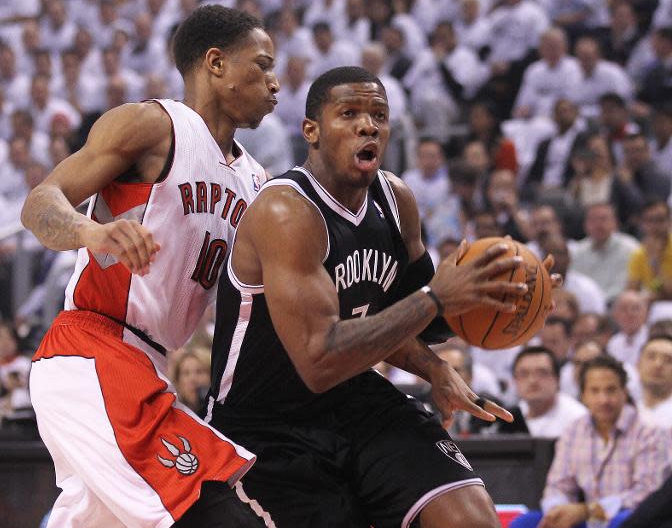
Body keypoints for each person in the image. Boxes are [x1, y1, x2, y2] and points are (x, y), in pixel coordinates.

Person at [207, 66, 556, 528]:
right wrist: (436, 298)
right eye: (349, 113)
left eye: (378, 115)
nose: (368, 125)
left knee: (471, 520)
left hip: (356, 398)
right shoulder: (286, 211)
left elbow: (417, 321)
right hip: (266, 424)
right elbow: (319, 359)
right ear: (311, 131)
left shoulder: (396, 200)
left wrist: (497, 297)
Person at [20, 5, 279, 527]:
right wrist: (93, 232)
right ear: (216, 63)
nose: (275, 83)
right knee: (223, 515)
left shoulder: (258, 182)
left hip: (149, 367)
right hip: (92, 351)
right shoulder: (153, 126)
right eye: (263, 65)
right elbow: (39, 204)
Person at [510, 355, 671, 528]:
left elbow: (647, 494)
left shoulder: (650, 431)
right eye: (595, 391)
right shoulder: (573, 431)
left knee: (623, 521)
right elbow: (558, 485)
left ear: (625, 393)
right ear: (583, 396)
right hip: (583, 519)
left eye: (611, 390)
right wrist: (557, 511)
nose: (604, 400)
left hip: (627, 518)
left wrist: (589, 510)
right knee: (525, 522)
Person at [511, 346, 587, 438]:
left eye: (542, 373)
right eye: (524, 374)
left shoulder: (578, 419)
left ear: (557, 379)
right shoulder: (513, 415)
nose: (532, 380)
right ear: (514, 380)